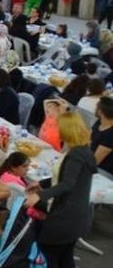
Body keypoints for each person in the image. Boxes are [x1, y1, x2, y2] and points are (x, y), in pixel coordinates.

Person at [25, 112, 97, 268]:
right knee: (65, 256)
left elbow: (67, 184)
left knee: (49, 255)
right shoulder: (84, 150)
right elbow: (65, 178)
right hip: (76, 216)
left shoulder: (75, 155)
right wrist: (42, 183)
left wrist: (39, 195)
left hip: (65, 216)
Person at [91, 96, 113, 174]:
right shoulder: (99, 122)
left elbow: (94, 162)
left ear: (100, 112)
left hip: (104, 172)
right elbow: (88, 140)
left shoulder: (110, 135)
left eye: (96, 107)